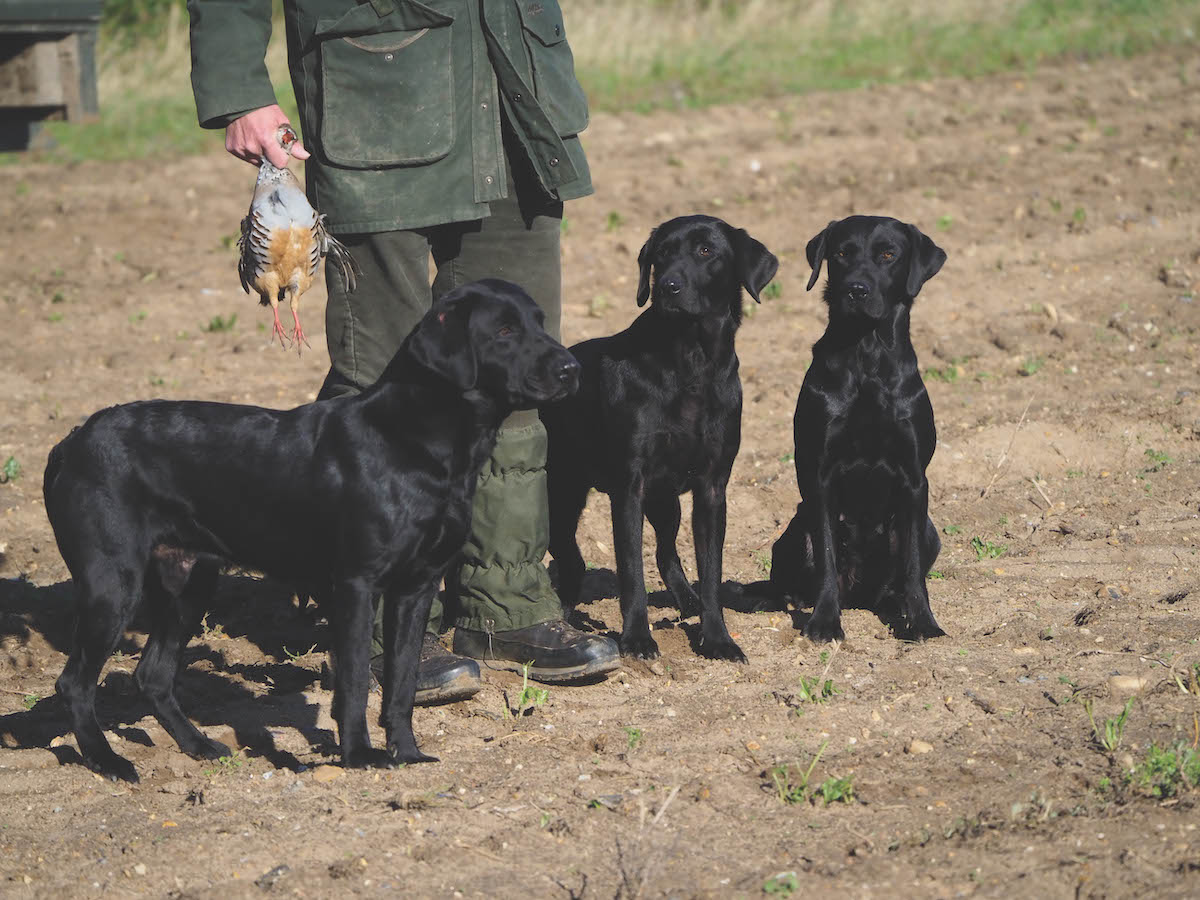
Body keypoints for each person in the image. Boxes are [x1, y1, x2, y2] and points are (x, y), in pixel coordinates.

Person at [187, 0, 619, 704]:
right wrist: (240, 89)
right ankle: (380, 632)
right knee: (380, 383)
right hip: (377, 102)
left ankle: (504, 608)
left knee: (520, 374)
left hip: (517, 100)